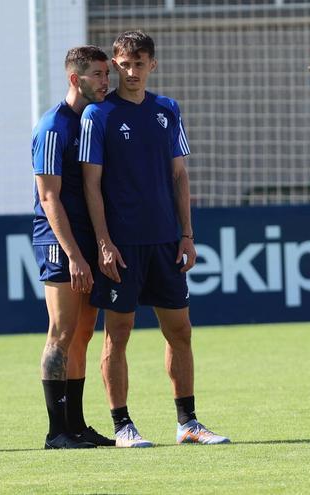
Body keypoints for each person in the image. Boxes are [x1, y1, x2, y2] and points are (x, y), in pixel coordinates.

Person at [80, 30, 230, 448]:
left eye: (139, 63)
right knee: (119, 334)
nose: (131, 72)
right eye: (124, 65)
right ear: (115, 65)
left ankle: (188, 423)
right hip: (122, 245)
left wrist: (186, 234)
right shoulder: (98, 115)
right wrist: (104, 242)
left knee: (180, 331)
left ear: (152, 65)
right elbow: (92, 185)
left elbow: (180, 175)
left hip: (166, 240)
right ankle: (122, 425)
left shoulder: (167, 109)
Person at [32, 45, 115, 449]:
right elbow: (49, 198)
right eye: (98, 74)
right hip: (59, 242)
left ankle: (77, 426)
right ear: (74, 79)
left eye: (106, 73)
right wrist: (74, 254)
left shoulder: (92, 122)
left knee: (83, 333)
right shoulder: (53, 126)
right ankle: (55, 431)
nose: (106, 81)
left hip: (86, 241)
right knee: (61, 332)